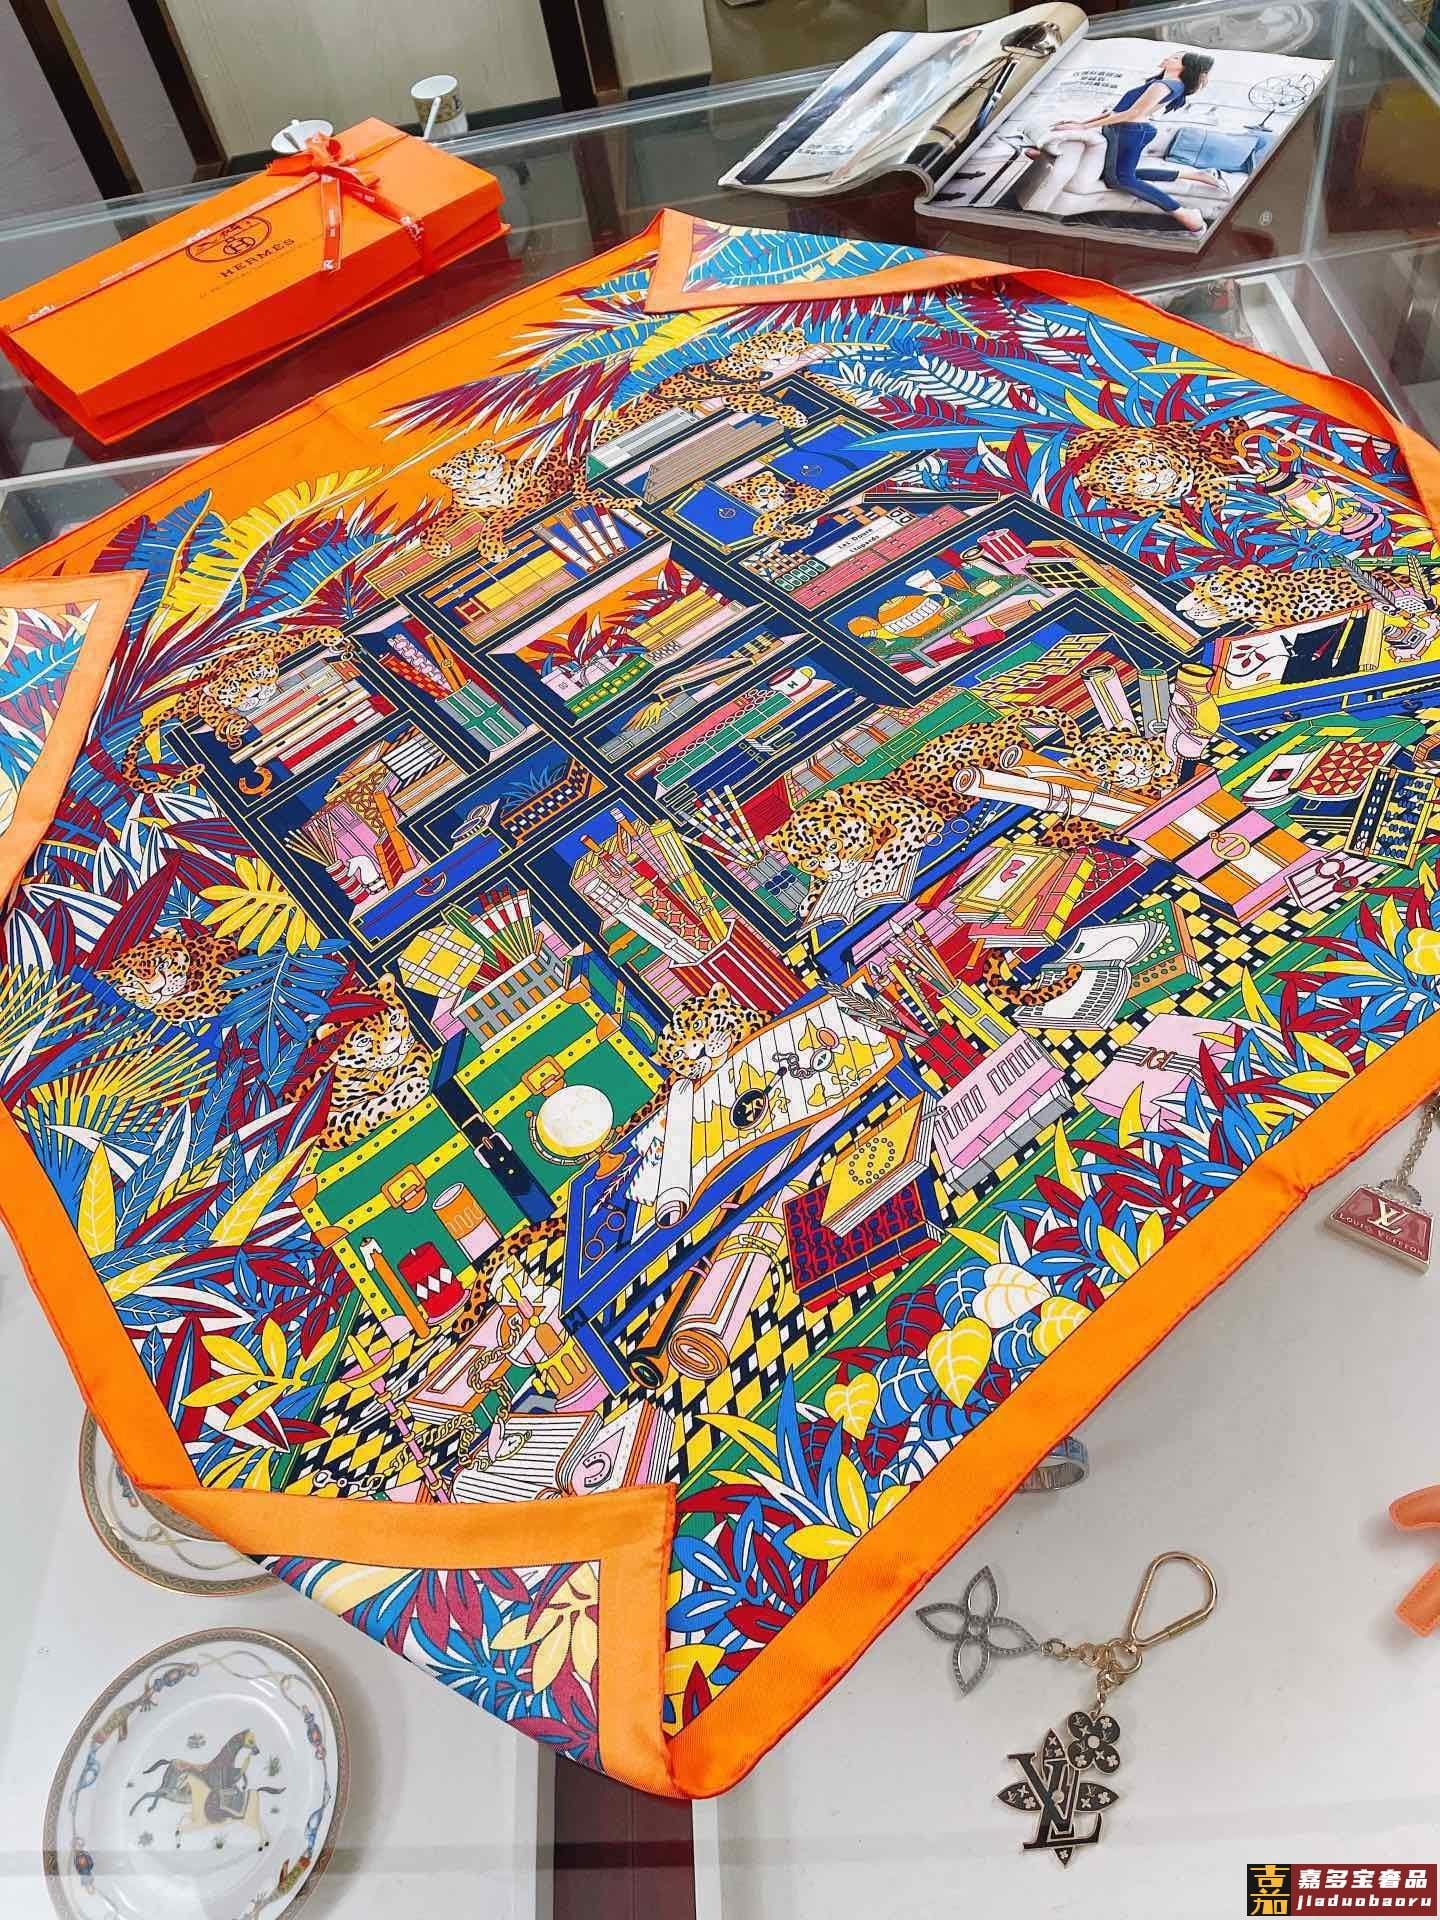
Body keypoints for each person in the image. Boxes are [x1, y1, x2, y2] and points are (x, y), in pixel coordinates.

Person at [1054, 52, 1224, 236]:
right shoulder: (1166, 84)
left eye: (1175, 58)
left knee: (1121, 179)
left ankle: (1182, 212)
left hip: (1129, 131)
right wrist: (1081, 124)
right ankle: (1192, 175)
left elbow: (1133, 113)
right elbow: (1115, 112)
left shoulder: (1164, 85)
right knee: (1118, 175)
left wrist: (1084, 126)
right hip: (1126, 129)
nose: (1168, 57)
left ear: (1185, 67)